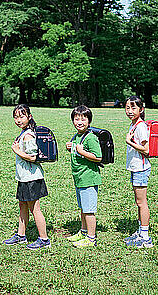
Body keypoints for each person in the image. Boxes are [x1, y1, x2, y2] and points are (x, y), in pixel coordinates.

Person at [3, 104, 51, 249]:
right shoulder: (24, 132)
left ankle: (44, 239)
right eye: (16, 117)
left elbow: (33, 157)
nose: (18, 120)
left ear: (29, 117)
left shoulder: (28, 134)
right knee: (22, 205)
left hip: (32, 178)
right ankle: (21, 235)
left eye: (22, 116)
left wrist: (17, 151)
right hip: (24, 177)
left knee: (35, 208)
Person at [65, 105, 102, 248]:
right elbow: (78, 150)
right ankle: (83, 231)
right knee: (83, 208)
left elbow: (98, 157)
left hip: (88, 179)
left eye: (83, 119)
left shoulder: (90, 138)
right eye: (76, 119)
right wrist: (71, 147)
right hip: (80, 178)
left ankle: (91, 238)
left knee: (89, 210)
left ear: (89, 121)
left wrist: (81, 151)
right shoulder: (77, 136)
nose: (79, 122)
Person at [123, 96, 153, 248]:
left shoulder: (141, 126)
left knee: (142, 202)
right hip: (136, 168)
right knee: (138, 202)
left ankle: (146, 237)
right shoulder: (134, 124)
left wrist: (129, 142)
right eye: (127, 108)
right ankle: (141, 231)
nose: (129, 111)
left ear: (141, 110)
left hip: (141, 169)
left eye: (133, 108)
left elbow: (146, 150)